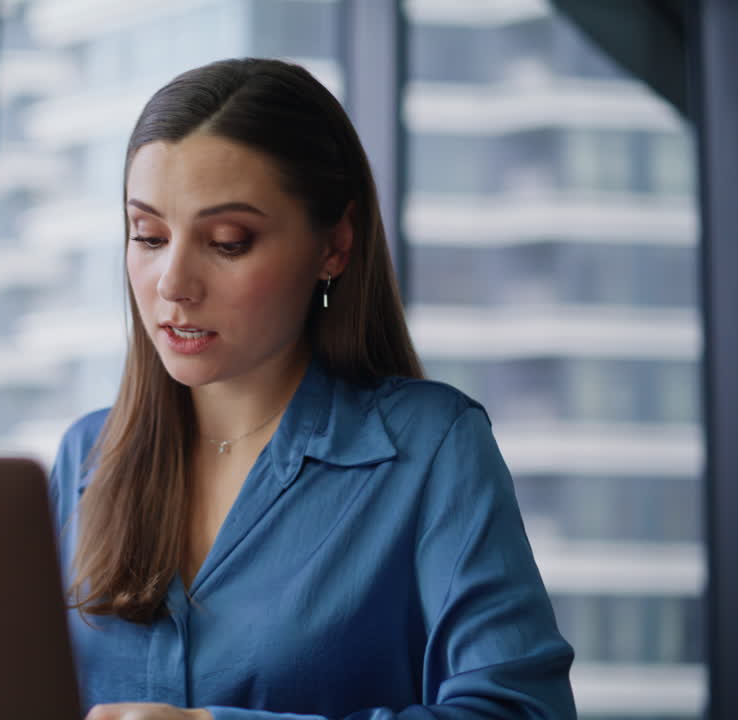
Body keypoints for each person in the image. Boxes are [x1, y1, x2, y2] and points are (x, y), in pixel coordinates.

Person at [47, 58, 577, 720]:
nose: (172, 283)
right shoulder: (83, 459)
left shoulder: (432, 449)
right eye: (148, 236)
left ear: (335, 245)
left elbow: (522, 712)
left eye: (229, 242)